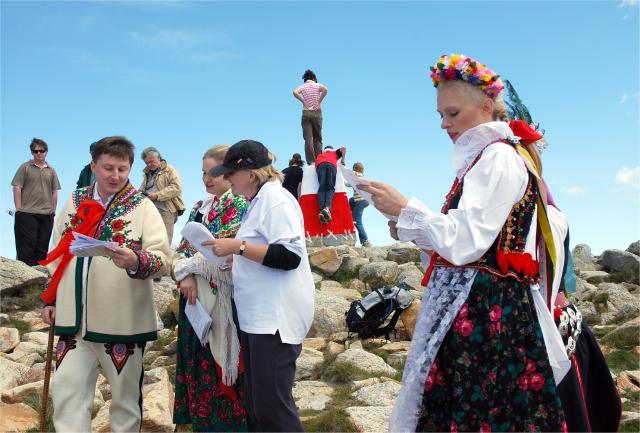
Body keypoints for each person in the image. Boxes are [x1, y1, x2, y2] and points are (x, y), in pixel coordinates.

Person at [361, 54, 568, 432]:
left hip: (488, 311)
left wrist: (408, 209)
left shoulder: (498, 158)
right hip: (477, 306)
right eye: (441, 115)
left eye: (453, 113)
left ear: (486, 106)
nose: (444, 124)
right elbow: (470, 243)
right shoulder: (484, 159)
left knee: (482, 409)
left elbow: (467, 242)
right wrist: (412, 228)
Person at [39, 136, 170, 432]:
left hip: (123, 324)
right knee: (68, 397)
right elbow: (57, 254)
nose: (115, 176)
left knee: (125, 403)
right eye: (108, 168)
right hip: (74, 324)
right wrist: (51, 300)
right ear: (93, 166)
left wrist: (136, 260)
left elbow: (163, 257)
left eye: (122, 169)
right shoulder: (75, 201)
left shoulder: (141, 206)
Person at [205, 140, 314, 432]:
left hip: (275, 321)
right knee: (257, 405)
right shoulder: (260, 201)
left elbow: (289, 256)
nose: (226, 179)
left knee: (273, 408)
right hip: (258, 320)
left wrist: (238, 247)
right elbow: (264, 251)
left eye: (231, 173)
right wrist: (236, 259)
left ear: (252, 174)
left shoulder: (275, 201)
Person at [172, 144, 250, 432]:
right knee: (201, 372)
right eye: (203, 173)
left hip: (227, 303)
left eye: (212, 173)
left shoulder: (241, 204)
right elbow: (181, 250)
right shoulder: (199, 207)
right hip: (197, 303)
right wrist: (185, 275)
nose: (206, 180)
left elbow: (229, 253)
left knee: (229, 376)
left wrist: (191, 265)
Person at [11, 138, 61, 266]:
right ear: (32, 152)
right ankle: (26, 280)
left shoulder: (51, 170)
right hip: (27, 213)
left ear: (46, 152)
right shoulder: (25, 167)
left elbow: (55, 191)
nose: (38, 153)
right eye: (35, 151)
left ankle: (39, 282)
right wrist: (19, 209)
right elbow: (17, 187)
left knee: (42, 248)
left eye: (41, 150)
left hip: (47, 214)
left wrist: (53, 211)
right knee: (26, 248)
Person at [139, 146, 186, 244]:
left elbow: (176, 187)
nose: (149, 164)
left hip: (166, 209)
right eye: (147, 163)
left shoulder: (170, 170)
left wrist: (157, 195)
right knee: (149, 239)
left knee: (165, 240)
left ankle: (164, 259)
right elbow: (142, 189)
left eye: (151, 161)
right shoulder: (147, 173)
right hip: (150, 209)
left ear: (159, 158)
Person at [293, 69, 328, 164]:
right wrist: (319, 102)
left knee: (308, 138)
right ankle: (319, 159)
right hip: (317, 113)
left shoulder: (303, 86)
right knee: (318, 138)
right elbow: (325, 89)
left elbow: (295, 92)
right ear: (314, 78)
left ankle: (311, 162)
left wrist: (303, 101)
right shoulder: (317, 85)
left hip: (306, 112)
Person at [315, 145, 346, 224]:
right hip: (331, 165)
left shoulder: (320, 155)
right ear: (331, 150)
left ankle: (323, 211)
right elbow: (343, 148)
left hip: (320, 166)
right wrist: (342, 159)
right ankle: (327, 208)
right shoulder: (334, 153)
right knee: (330, 188)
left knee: (322, 189)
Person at [348, 162, 371, 247]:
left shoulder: (357, 176)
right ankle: (350, 215)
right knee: (351, 200)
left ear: (355, 169)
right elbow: (349, 183)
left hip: (361, 201)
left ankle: (365, 241)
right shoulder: (360, 178)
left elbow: (351, 177)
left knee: (358, 222)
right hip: (361, 200)